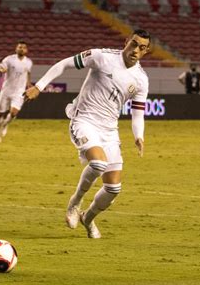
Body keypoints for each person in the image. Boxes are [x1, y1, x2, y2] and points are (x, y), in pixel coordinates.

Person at [25, 29, 151, 239]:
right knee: (98, 163)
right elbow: (64, 64)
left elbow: (138, 113)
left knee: (113, 188)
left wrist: (139, 136)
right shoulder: (102, 57)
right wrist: (39, 86)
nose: (136, 50)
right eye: (134, 44)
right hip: (83, 120)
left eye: (142, 47)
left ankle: (88, 218)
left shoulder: (141, 80)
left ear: (146, 51)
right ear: (126, 41)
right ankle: (74, 204)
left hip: (109, 131)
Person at [0, 40, 33, 143]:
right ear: (16, 49)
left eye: (23, 47)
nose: (21, 49)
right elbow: (2, 67)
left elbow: (28, 73)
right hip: (7, 90)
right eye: (19, 47)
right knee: (1, 113)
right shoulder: (9, 59)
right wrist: (0, 70)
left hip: (19, 91)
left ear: (26, 50)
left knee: (13, 112)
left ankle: (5, 124)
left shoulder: (28, 62)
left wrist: (29, 85)